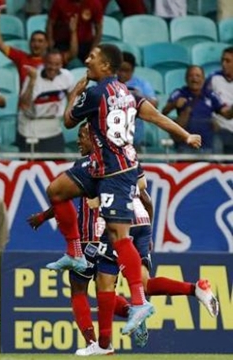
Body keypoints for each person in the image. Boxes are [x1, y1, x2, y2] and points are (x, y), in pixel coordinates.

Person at [45, 43, 202, 336]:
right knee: (56, 190)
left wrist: (74, 95)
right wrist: (186, 135)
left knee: (119, 237)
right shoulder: (128, 93)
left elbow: (68, 121)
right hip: (103, 167)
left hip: (115, 173)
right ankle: (75, 251)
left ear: (105, 66)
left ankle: (139, 302)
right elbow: (158, 117)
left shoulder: (94, 93)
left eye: (92, 57)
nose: (87, 60)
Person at [29, 124, 219, 355]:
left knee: (83, 290)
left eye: (81, 136)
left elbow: (61, 194)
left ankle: (98, 341)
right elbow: (146, 197)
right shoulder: (125, 159)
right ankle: (193, 289)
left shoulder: (88, 165)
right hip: (136, 225)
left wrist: (43, 216)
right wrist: (145, 233)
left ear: (93, 137)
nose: (78, 141)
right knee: (144, 282)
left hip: (95, 236)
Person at [162, 65, 232, 153]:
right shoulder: (179, 93)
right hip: (185, 145)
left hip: (208, 146)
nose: (194, 79)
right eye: (191, 76)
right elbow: (164, 111)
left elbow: (227, 114)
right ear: (186, 79)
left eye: (198, 76)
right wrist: (174, 104)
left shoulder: (211, 95)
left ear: (203, 79)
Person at [17, 50, 74, 152]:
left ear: (62, 64)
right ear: (44, 63)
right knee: (31, 167)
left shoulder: (67, 76)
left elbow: (72, 94)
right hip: (31, 129)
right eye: (50, 64)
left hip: (54, 128)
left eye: (57, 64)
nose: (53, 68)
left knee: (56, 165)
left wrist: (67, 112)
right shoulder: (33, 77)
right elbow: (24, 105)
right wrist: (32, 81)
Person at [117, 52, 158, 151]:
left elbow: (154, 104)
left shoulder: (142, 84)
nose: (123, 74)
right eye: (120, 70)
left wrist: (139, 96)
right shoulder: (110, 83)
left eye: (126, 70)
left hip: (136, 136)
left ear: (133, 70)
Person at [205, 47, 233, 154]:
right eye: (222, 60)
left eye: (228, 61)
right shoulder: (214, 78)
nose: (223, 64)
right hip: (221, 129)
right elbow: (204, 101)